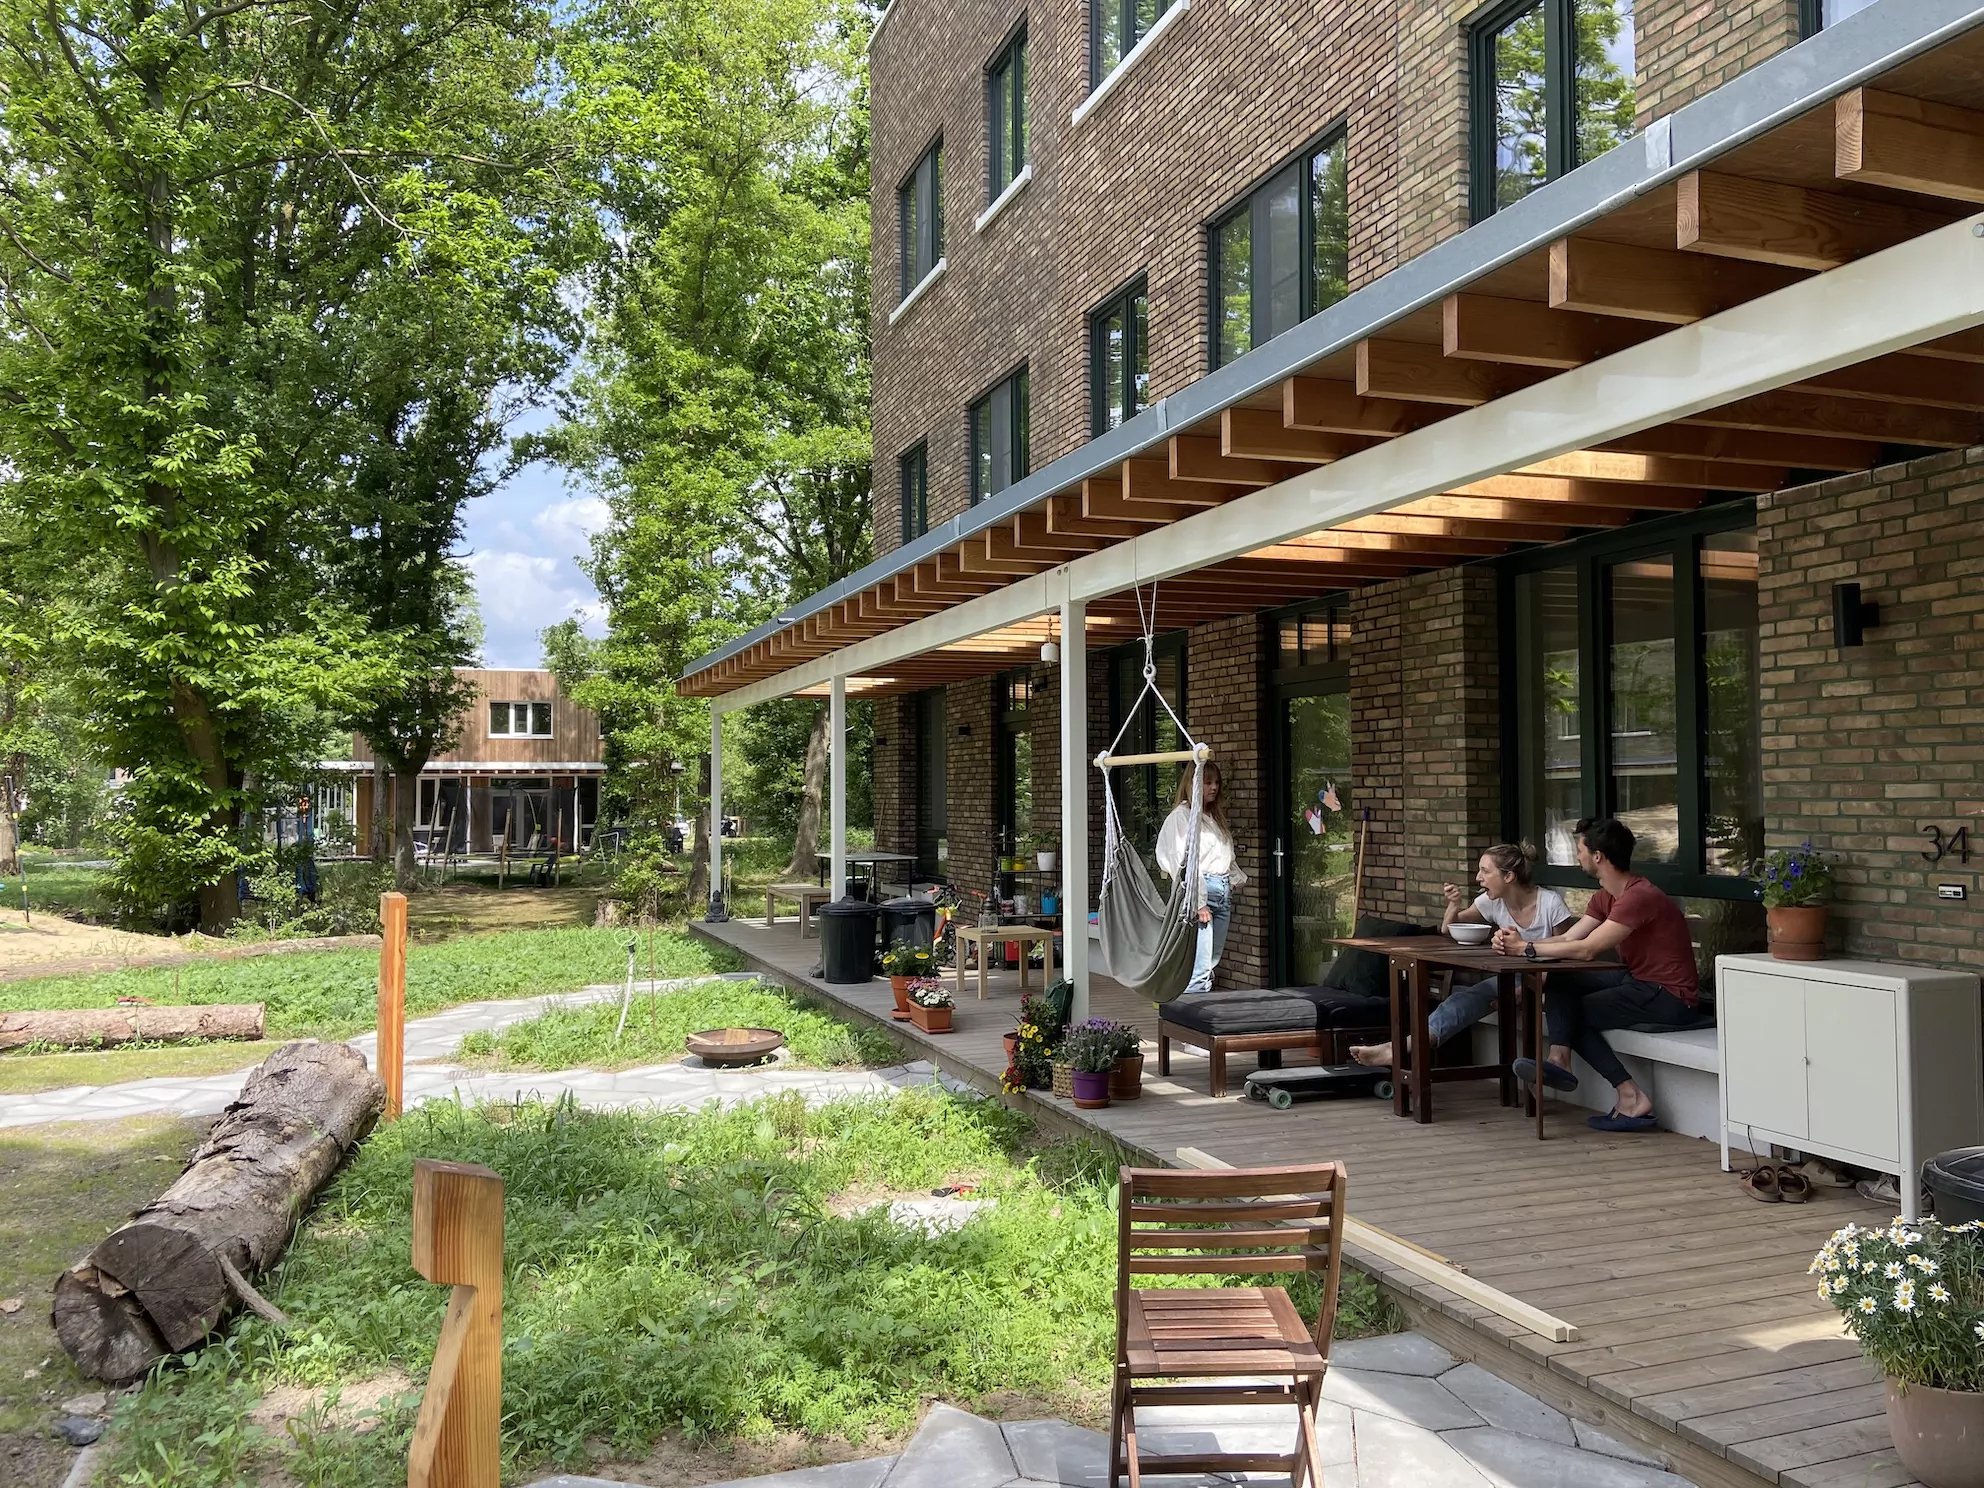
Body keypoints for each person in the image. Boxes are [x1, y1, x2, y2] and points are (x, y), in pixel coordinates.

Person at [1507, 816, 1701, 1133]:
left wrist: (1525, 948)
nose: (1577, 856)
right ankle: (1558, 1060)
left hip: (1670, 996)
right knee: (1561, 977)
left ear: (1597, 856)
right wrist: (1519, 944)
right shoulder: (1606, 896)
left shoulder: (1639, 896)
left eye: (1580, 850)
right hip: (1639, 982)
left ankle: (1631, 1096)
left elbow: (1588, 949)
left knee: (1575, 1013)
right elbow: (1569, 939)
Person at [1350, 842, 1572, 1069]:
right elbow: (1449, 928)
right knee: (1460, 1000)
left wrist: (1524, 991)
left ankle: (1397, 1050)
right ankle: (1398, 1049)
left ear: (1508, 877)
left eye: (1485, 871)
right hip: (1512, 979)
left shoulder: (1550, 903)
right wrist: (1453, 905)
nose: (1478, 878)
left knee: (1476, 997)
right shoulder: (1493, 901)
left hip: (1553, 983)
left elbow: (1569, 955)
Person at [1155, 761, 1247, 997]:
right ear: (1193, 784)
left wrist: (1234, 879)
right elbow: (1182, 862)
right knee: (1199, 966)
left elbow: (1224, 853)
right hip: (1201, 890)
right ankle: (1191, 1011)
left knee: (1210, 961)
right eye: (1207, 783)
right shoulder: (1181, 817)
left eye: (1216, 783)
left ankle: (1194, 1008)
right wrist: (1198, 901)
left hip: (1222, 890)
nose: (1213, 787)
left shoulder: (1213, 817)